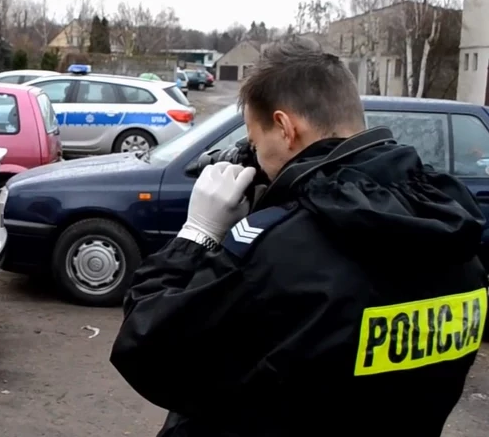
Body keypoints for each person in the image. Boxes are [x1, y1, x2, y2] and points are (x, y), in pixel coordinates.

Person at [110, 37, 488, 437]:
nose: (256, 158)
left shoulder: (283, 251)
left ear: (286, 129)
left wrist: (198, 234)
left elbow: (148, 349)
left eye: (256, 144)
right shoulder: (454, 232)